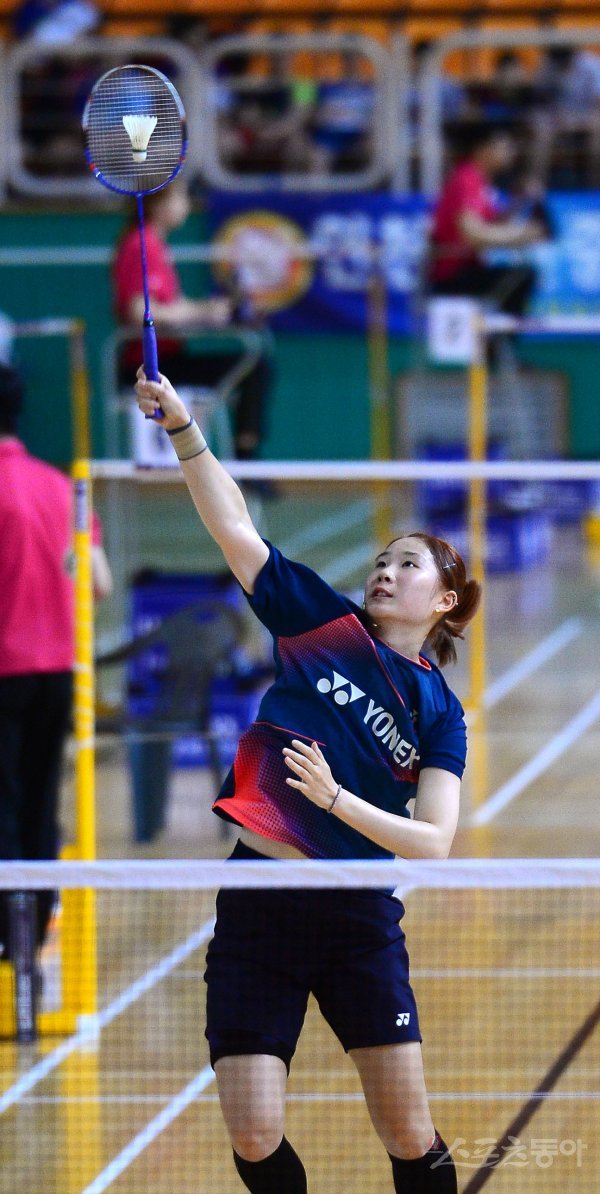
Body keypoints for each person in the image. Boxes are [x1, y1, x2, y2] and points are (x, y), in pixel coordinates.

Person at [134, 365, 483, 1193]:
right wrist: (183, 427)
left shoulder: (441, 713)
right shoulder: (322, 625)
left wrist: (336, 801)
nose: (385, 571)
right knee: (254, 1133)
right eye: (382, 561)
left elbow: (433, 843)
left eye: (408, 565)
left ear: (444, 601)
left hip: (357, 916)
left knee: (407, 1132)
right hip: (259, 902)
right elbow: (234, 527)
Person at [0, 364, 112, 960]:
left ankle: (6, 929)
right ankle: (36, 922)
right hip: (57, 674)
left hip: (4, 671)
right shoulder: (61, 488)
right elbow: (100, 584)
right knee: (40, 800)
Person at [113, 181, 273, 461]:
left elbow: (173, 306)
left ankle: (245, 457)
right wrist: (203, 312)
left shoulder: (156, 244)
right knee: (254, 367)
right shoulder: (141, 244)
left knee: (254, 364)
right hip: (148, 368)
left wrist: (209, 310)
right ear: (158, 204)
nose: (186, 205)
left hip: (170, 358)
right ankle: (246, 460)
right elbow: (139, 312)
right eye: (182, 197)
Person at [428, 124, 547, 317]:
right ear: (482, 149)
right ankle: (500, 333)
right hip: (452, 275)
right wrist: (521, 235)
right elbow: (473, 234)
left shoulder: (481, 182)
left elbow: (491, 224)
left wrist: (519, 203)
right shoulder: (466, 178)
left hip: (470, 268)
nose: (511, 152)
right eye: (504, 146)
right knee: (523, 275)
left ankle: (498, 331)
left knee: (522, 276)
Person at [528, 46, 600, 189]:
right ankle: (535, 186)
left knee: (598, 131)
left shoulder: (591, 64)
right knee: (541, 131)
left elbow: (597, 101)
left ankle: (595, 185)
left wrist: (577, 119)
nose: (560, 63)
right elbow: (539, 98)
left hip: (586, 116)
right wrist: (555, 113)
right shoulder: (547, 64)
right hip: (557, 117)